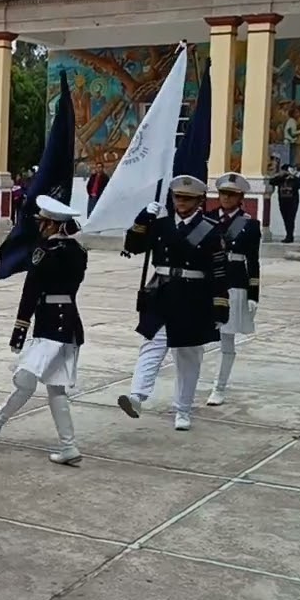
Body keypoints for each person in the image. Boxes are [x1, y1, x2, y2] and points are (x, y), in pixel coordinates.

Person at [0, 195, 86, 464]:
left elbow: (30, 292)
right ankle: (66, 445)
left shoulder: (44, 252)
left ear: (52, 225)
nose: (40, 227)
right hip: (69, 323)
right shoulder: (78, 251)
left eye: (43, 223)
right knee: (55, 388)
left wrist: (19, 330)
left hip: (51, 327)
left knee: (25, 377)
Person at [117, 175, 229, 431]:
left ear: (199, 200)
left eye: (187, 199)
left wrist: (220, 305)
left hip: (193, 296)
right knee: (151, 345)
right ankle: (137, 397)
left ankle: (183, 410)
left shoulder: (210, 229)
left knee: (188, 356)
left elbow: (219, 271)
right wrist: (142, 218)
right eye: (178, 197)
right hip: (162, 291)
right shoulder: (161, 224)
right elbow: (133, 246)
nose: (181, 202)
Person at [204, 173, 260, 407]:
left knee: (226, 339)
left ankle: (219, 387)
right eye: (223, 193)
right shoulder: (206, 219)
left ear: (240, 197)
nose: (226, 198)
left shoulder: (249, 224)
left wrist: (253, 294)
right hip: (208, 281)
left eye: (232, 194)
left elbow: (253, 261)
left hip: (234, 283)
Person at [268, 163, 300, 243]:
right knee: (285, 218)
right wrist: (281, 176)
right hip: (283, 201)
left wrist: (293, 177)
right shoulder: (281, 178)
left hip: (292, 201)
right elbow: (272, 181)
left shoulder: (294, 179)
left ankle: (290, 236)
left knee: (291, 219)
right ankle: (288, 234)